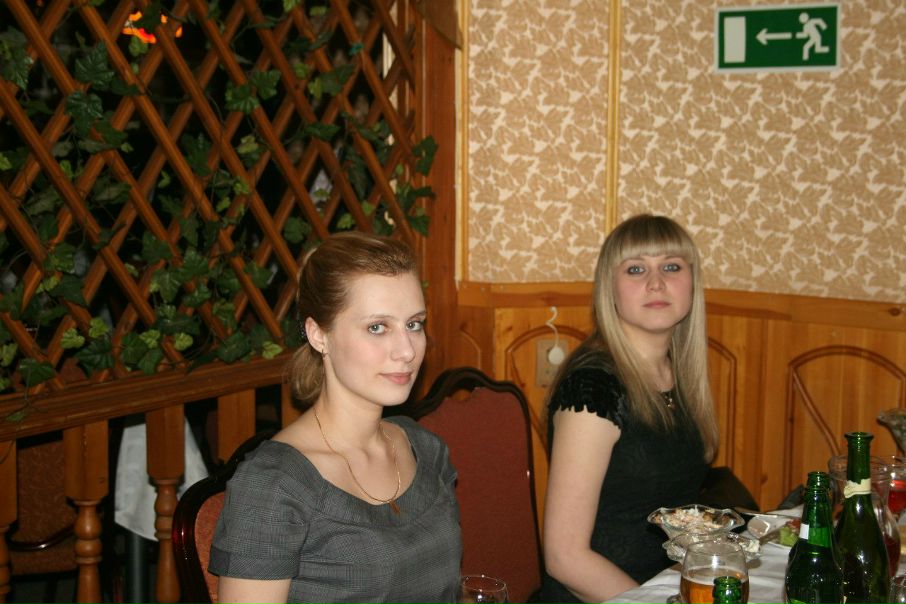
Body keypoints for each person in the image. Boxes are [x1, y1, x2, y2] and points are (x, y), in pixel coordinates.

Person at [209, 232, 462, 604]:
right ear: (318, 334)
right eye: (377, 327)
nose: (407, 351)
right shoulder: (274, 485)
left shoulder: (425, 449)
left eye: (414, 324)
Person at [534, 214, 720, 603]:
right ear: (610, 289)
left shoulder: (676, 373)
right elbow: (564, 558)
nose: (656, 282)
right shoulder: (593, 388)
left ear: (692, 283)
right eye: (636, 269)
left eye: (671, 266)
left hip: (666, 588)